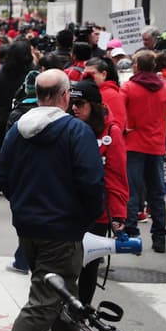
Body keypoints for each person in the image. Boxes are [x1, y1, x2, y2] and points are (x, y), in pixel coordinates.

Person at [0, 70, 105, 331]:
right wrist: (85, 217)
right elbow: (91, 181)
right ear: (65, 95)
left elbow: (1, 176)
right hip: (61, 228)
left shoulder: (17, 130)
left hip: (29, 227)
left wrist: (23, 205)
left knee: (59, 296)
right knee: (44, 302)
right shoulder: (75, 131)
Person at [68, 80, 128, 315]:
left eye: (80, 103)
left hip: (98, 213)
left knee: (89, 266)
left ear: (94, 105)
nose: (74, 108)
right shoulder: (68, 126)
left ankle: (82, 316)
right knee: (66, 266)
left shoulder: (111, 132)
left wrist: (119, 214)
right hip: (69, 210)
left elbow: (117, 176)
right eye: (72, 102)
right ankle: (64, 315)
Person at [122, 50, 166, 252]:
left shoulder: (128, 87)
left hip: (133, 143)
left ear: (136, 66)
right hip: (156, 145)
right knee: (157, 192)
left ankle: (131, 232)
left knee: (132, 191)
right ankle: (159, 236)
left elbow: (121, 116)